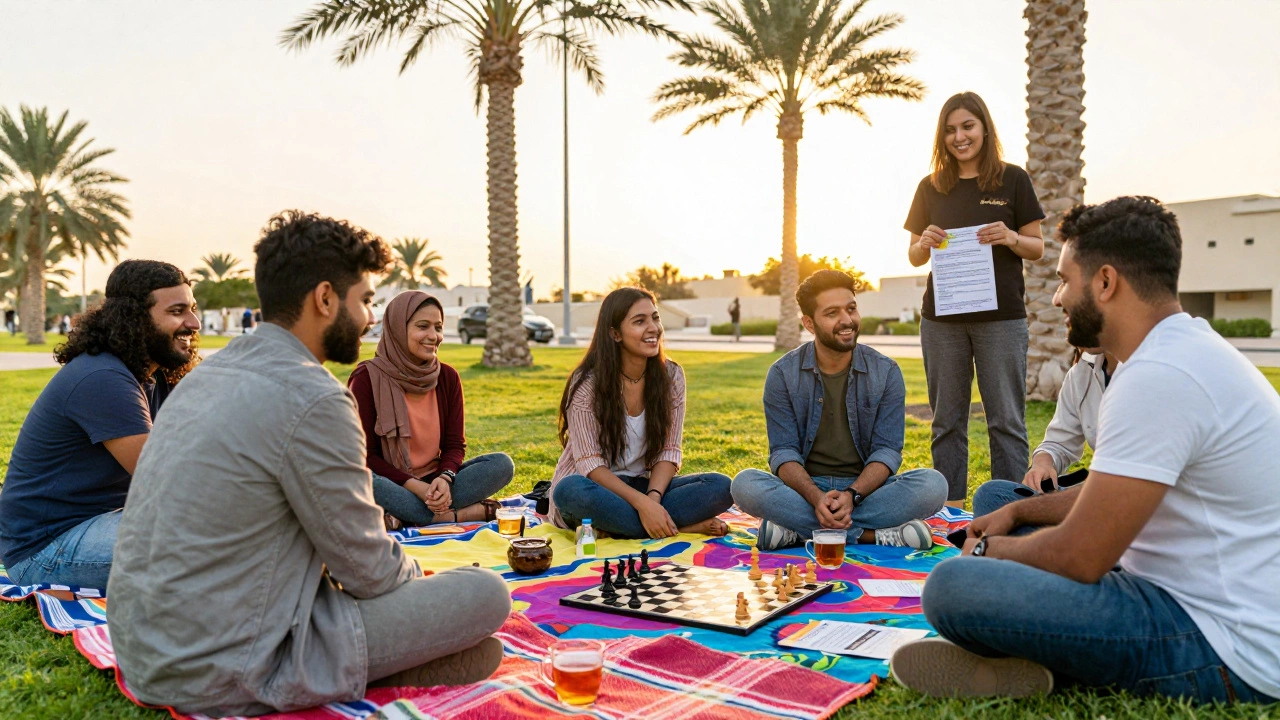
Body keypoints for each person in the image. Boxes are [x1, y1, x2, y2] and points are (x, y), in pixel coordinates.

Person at [108, 211, 511, 717]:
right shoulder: (315, 395)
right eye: (364, 299)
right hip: (225, 662)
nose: (369, 317)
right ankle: (336, 670)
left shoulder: (207, 376)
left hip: (144, 651)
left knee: (480, 649)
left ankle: (364, 665)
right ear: (325, 299)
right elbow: (369, 572)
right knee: (486, 595)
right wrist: (421, 598)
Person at [892, 197, 1280, 705]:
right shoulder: (1179, 350)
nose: (1057, 298)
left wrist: (988, 552)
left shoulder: (1158, 376)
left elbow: (1082, 556)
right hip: (1184, 584)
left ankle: (1037, 658)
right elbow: (1106, 495)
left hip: (1219, 639)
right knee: (996, 505)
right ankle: (1032, 651)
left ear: (1105, 283)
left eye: (1063, 280)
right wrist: (1018, 511)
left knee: (952, 587)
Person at [0, 261, 200, 588]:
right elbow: (170, 478)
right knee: (214, 542)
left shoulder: (157, 374)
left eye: (192, 308)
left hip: (106, 521)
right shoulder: (103, 377)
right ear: (134, 319)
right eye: (177, 311)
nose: (194, 323)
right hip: (44, 550)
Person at [732, 270, 948, 551]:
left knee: (934, 485)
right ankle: (872, 535)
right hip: (803, 488)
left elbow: (887, 451)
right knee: (744, 484)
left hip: (866, 490)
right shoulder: (783, 374)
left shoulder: (886, 371)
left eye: (851, 309)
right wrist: (815, 497)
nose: (847, 320)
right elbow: (783, 452)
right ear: (809, 323)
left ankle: (798, 532)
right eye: (832, 313)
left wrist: (852, 495)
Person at [905, 91, 1046, 508]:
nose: (959, 136)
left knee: (1006, 421)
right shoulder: (930, 187)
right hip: (942, 321)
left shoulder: (1013, 179)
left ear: (984, 127)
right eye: (950, 130)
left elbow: (1037, 247)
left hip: (1000, 320)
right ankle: (948, 512)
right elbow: (914, 256)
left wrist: (1010, 236)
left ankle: (1009, 511)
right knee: (947, 421)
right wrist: (925, 243)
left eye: (967, 126)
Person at [549, 287, 733, 539]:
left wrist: (652, 499)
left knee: (721, 486)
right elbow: (589, 464)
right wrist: (642, 505)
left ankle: (627, 527)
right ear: (615, 334)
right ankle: (677, 527)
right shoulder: (586, 384)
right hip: (596, 488)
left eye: (655, 318)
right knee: (567, 491)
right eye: (639, 321)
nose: (653, 328)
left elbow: (669, 450)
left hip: (645, 486)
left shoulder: (672, 376)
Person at [348, 290, 514, 530]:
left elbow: (454, 445)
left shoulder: (447, 377)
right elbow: (365, 456)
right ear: (396, 328)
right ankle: (452, 516)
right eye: (422, 326)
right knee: (361, 479)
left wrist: (445, 478)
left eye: (438, 327)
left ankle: (401, 517)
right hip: (391, 482)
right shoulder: (366, 378)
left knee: (501, 465)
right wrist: (416, 487)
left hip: (435, 481)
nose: (433, 336)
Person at [970, 346, 1117, 521]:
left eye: (1074, 317)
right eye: (1067, 317)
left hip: (1126, 504)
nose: (1068, 325)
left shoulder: (1145, 372)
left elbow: (1129, 485)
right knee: (991, 495)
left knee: (1009, 518)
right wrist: (1042, 463)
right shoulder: (1082, 372)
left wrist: (1022, 512)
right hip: (1090, 497)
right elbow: (1059, 442)